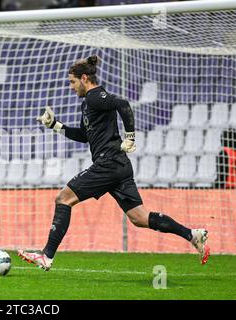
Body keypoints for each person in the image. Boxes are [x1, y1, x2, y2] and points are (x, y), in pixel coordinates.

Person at [18, 56, 210, 271]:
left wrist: (130, 137)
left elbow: (122, 103)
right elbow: (84, 135)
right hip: (119, 166)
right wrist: (55, 125)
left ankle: (47, 256)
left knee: (63, 198)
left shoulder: (94, 97)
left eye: (72, 82)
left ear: (84, 78)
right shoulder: (88, 103)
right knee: (139, 217)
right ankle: (192, 235)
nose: (71, 87)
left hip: (108, 164)